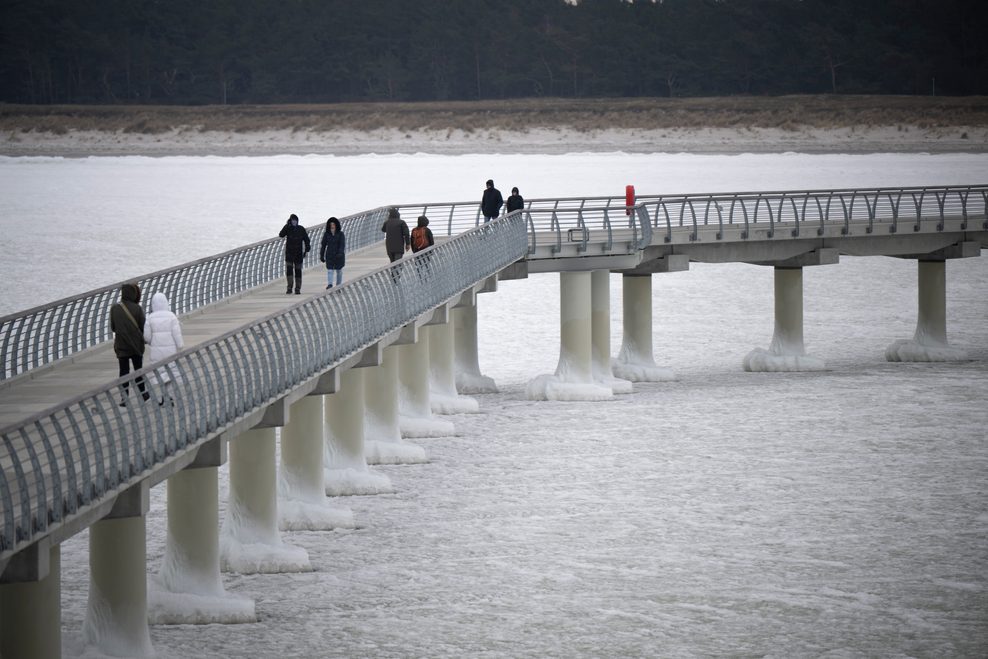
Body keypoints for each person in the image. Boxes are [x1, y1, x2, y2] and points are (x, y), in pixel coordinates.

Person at [110, 282, 150, 405]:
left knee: (123, 372)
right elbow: (143, 326)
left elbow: (113, 327)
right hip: (136, 346)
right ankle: (143, 394)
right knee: (138, 370)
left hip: (121, 346)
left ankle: (124, 398)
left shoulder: (115, 308)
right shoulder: (137, 308)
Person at [143, 292, 184, 406]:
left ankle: (163, 397)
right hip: (170, 350)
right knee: (169, 373)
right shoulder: (171, 316)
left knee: (159, 374)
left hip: (156, 351)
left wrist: (152, 342)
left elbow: (146, 336)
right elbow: (177, 333)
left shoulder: (150, 318)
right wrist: (180, 345)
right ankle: (169, 397)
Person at [279, 213, 311, 294]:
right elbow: (281, 235)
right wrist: (286, 225)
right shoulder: (288, 228)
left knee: (298, 271)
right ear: (290, 221)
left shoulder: (301, 229)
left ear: (297, 221)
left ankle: (297, 288)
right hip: (289, 254)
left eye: (295, 221)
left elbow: (306, 240)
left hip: (298, 254)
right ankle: (289, 288)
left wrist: (307, 249)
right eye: (293, 220)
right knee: (289, 271)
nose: (294, 222)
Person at [320, 216, 346, 289]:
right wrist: (321, 255)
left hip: (339, 256)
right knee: (330, 270)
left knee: (339, 271)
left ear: (336, 225)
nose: (332, 226)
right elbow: (323, 245)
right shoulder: (326, 234)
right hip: (330, 255)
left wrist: (340, 253)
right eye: (331, 225)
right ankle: (330, 284)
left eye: (333, 224)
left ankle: (338, 286)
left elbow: (342, 244)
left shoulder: (341, 234)